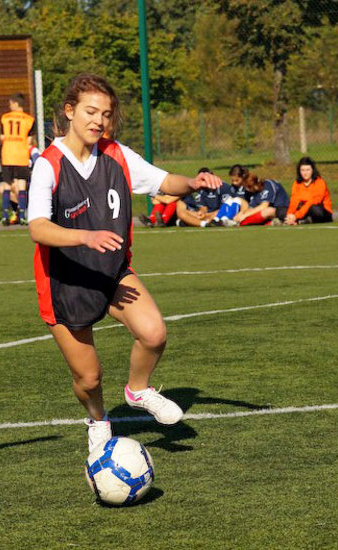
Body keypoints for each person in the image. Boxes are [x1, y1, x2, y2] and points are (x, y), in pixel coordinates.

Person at [27, 74, 222, 451]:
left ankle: (138, 390)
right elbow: (37, 228)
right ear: (69, 111)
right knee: (89, 379)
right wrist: (85, 236)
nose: (98, 120)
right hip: (64, 284)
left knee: (154, 333)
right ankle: (98, 419)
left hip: (112, 272)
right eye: (90, 111)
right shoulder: (49, 164)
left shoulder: (117, 155)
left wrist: (193, 183)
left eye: (105, 114)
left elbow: (164, 182)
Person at [0, 93, 35, 225]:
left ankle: (5, 216)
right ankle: (23, 216)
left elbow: (2, 138)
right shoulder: (29, 120)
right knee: (21, 185)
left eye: (10, 104)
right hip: (21, 155)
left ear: (15, 103)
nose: (10, 106)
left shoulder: (5, 118)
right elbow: (29, 140)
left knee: (7, 185)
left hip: (7, 155)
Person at [285, 157, 332, 225]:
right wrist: (290, 215)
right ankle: (293, 220)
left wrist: (296, 216)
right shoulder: (297, 183)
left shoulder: (319, 182)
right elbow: (294, 201)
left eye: (308, 170)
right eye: (302, 170)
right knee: (282, 211)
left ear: (312, 170)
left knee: (314, 209)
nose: (305, 173)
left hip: (321, 211)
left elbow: (313, 201)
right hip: (303, 211)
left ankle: (302, 220)